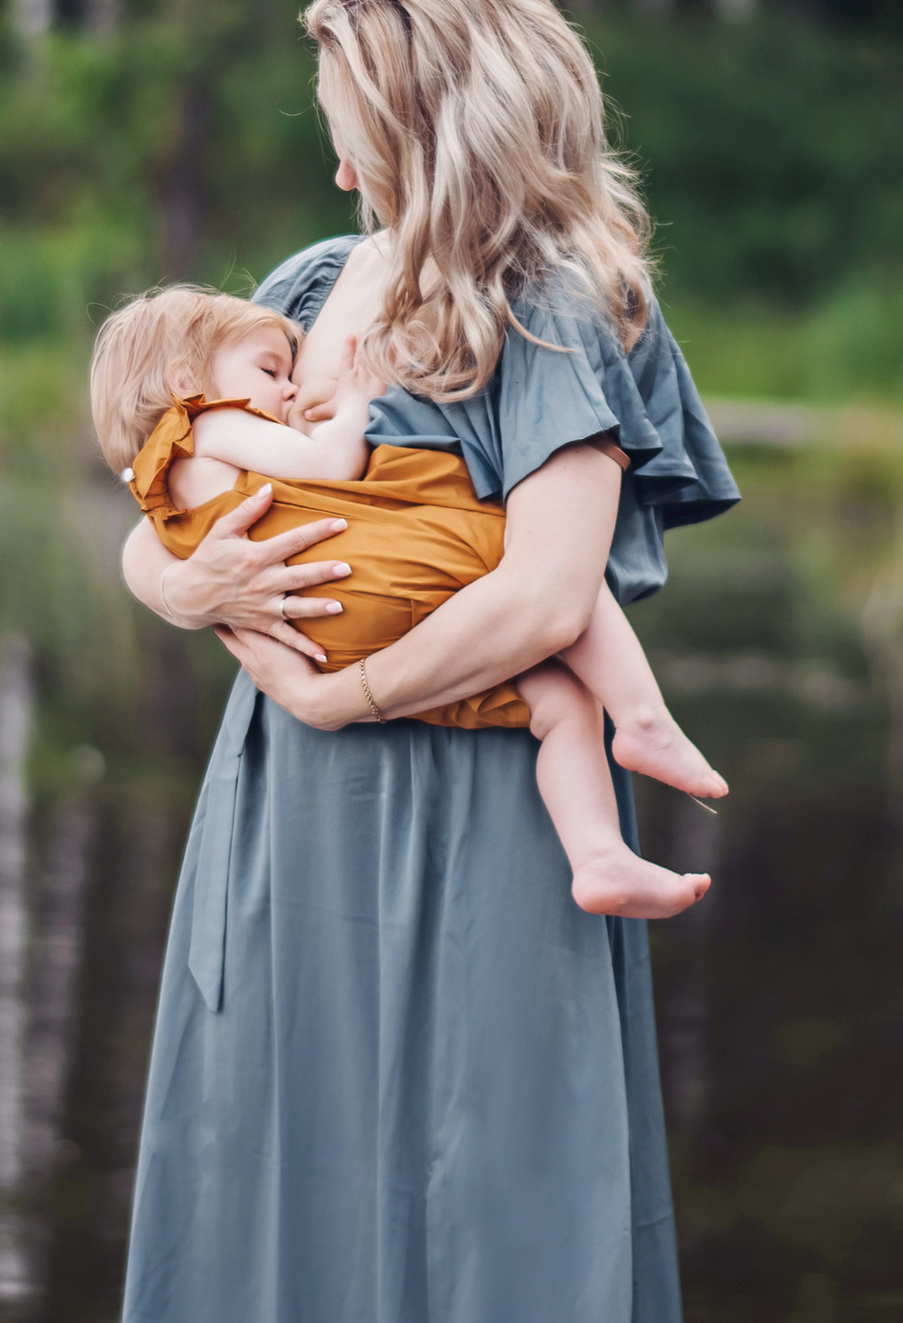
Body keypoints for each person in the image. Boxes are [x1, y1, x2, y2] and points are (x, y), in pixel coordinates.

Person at [68, 0, 786, 1323]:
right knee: (289, 1232)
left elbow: (554, 593)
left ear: (418, 102)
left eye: (345, 121)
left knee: (489, 1243)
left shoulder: (557, 299)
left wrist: (337, 682)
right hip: (289, 833)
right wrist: (189, 594)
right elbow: (163, 508)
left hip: (475, 822)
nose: (327, 168)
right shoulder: (303, 293)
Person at [85, 277, 723, 918]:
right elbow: (331, 465)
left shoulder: (161, 475)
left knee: (557, 699)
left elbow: (156, 542)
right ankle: (642, 717)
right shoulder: (210, 420)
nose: (287, 388)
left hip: (324, 635)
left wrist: (188, 589)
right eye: (270, 370)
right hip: (362, 574)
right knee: (528, 552)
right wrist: (356, 402)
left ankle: (598, 859)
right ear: (181, 381)